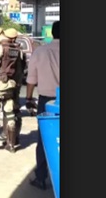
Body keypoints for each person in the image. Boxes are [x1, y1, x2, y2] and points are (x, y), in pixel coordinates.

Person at [25, 21, 60, 190]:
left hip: (47, 102)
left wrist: (29, 98)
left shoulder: (40, 52)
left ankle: (41, 177)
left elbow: (31, 79)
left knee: (45, 139)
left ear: (52, 33)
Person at [0, 28, 26, 148]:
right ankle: (15, 138)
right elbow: (23, 67)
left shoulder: (4, 48)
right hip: (16, 84)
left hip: (7, 83)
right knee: (16, 111)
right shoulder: (19, 50)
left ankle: (9, 139)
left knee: (8, 111)